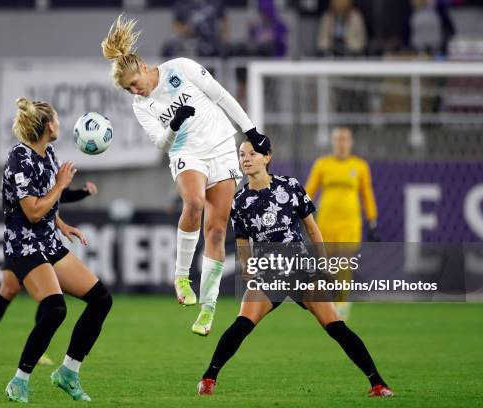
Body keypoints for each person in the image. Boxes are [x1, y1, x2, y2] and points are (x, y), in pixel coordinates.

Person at [101, 14, 270, 336]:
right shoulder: (141, 105)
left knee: (218, 231)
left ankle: (207, 310)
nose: (134, 91)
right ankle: (181, 277)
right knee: (194, 203)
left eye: (134, 84)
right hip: (186, 153)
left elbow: (221, 96)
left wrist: (251, 130)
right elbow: (163, 144)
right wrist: (175, 123)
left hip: (221, 147)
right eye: (127, 89)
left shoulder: (181, 68)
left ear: (145, 68)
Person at [197, 138, 393, 398]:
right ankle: (208, 379)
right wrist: (248, 267)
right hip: (269, 273)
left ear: (267, 157)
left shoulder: (289, 186)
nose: (245, 158)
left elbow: (312, 228)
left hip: (301, 270)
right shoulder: (240, 200)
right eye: (242, 154)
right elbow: (243, 240)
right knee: (242, 324)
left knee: (335, 325)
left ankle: (378, 384)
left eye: (252, 153)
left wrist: (323, 265)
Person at [1, 98, 112, 403]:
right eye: (57, 120)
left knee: (101, 300)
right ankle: (19, 381)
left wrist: (61, 223)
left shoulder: (47, 153)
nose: (60, 124)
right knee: (55, 310)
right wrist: (61, 185)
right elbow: (33, 211)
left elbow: (44, 207)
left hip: (48, 241)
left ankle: (68, 372)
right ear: (48, 125)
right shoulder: (19, 159)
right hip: (24, 246)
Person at [0, 182, 98, 367]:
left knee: (51, 295)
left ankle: (38, 350)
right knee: (8, 290)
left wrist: (82, 192)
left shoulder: (48, 161)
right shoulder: (20, 166)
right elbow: (30, 202)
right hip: (22, 243)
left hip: (44, 243)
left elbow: (58, 194)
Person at [305, 127, 379, 320]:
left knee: (344, 265)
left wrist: (372, 220)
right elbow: (309, 191)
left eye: (345, 140)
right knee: (326, 266)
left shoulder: (360, 166)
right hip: (326, 222)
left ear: (350, 142)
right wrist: (298, 213)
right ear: (332, 142)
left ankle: (342, 305)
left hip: (350, 224)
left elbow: (367, 194)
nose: (341, 144)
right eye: (338, 140)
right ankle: (329, 304)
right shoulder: (322, 165)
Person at [161, 0, 228, 58]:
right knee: (168, 49)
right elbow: (175, 22)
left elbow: (224, 19)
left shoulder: (214, 2)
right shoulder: (182, 3)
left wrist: (223, 36)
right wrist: (184, 30)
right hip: (189, 40)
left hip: (210, 40)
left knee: (219, 50)